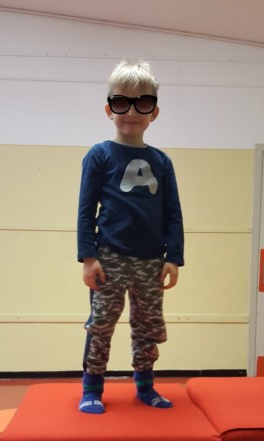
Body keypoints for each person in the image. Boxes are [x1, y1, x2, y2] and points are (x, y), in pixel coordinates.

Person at [77, 59, 184, 414]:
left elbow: (173, 212)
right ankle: (92, 388)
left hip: (152, 260)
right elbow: (85, 210)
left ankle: (145, 386)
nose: (133, 112)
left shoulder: (162, 162)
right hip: (110, 256)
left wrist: (173, 257)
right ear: (109, 109)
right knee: (101, 325)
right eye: (122, 102)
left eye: (143, 103)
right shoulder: (100, 155)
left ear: (154, 111)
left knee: (148, 325)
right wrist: (88, 257)